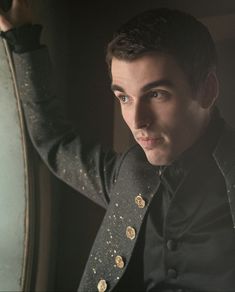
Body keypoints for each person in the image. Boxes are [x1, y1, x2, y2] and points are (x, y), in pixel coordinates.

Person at [1, 1, 235, 291]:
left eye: (157, 94)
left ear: (208, 90)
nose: (137, 121)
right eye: (124, 97)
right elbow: (55, 143)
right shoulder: (132, 173)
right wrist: (24, 39)